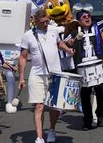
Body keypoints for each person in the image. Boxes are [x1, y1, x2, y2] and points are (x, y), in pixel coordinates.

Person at [18, 9, 75, 143]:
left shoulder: (53, 30)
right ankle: (39, 137)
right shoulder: (28, 35)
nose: (45, 24)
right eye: (42, 22)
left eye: (47, 21)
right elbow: (23, 57)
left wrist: (68, 50)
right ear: (35, 21)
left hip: (55, 74)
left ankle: (51, 129)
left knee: (55, 106)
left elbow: (59, 43)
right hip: (37, 75)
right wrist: (21, 77)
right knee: (39, 106)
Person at [71, 0, 103, 130]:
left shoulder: (97, 27)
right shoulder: (74, 32)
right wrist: (75, 39)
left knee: (101, 93)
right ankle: (87, 120)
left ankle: (100, 114)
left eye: (88, 16)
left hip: (98, 63)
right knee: (85, 96)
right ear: (79, 20)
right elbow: (67, 44)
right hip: (82, 67)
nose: (87, 18)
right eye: (84, 17)